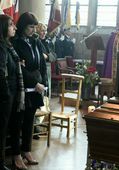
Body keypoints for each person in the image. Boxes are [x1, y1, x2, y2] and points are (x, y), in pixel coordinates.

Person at [11, 12, 47, 170]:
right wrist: (34, 81)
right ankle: (16, 155)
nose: (34, 30)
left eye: (35, 27)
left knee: (29, 121)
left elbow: (42, 65)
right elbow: (19, 67)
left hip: (36, 87)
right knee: (18, 122)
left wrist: (43, 83)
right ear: (23, 26)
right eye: (31, 27)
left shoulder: (35, 41)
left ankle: (27, 150)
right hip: (22, 87)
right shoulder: (16, 42)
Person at [0, 14, 24, 170]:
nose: (14, 27)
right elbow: (1, 73)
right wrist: (7, 94)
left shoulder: (8, 45)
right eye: (10, 25)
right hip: (4, 95)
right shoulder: (1, 47)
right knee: (1, 131)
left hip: (11, 93)